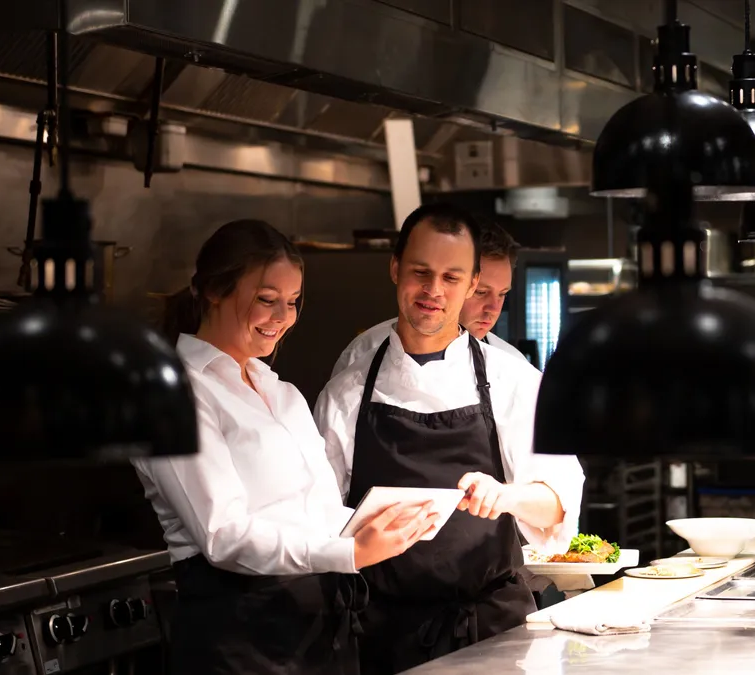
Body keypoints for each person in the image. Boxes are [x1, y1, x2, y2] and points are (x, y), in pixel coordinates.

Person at [132, 219, 439, 675]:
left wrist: (378, 521)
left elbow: (314, 512)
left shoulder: (282, 393)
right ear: (214, 290)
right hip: (241, 639)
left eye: (293, 302)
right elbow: (222, 536)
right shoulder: (172, 393)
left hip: (320, 632)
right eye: (266, 300)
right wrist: (351, 553)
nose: (282, 318)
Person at [313, 204, 584, 675]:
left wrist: (506, 496)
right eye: (421, 272)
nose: (434, 292)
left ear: (471, 281)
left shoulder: (512, 380)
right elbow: (316, 519)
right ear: (395, 268)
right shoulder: (346, 392)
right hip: (382, 635)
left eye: (452, 278)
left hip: (494, 632)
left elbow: (558, 505)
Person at [329, 219, 526, 378]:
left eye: (502, 294)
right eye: (481, 292)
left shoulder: (514, 369)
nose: (493, 308)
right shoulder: (363, 353)